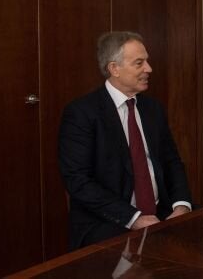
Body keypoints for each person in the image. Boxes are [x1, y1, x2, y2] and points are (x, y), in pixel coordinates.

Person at [59, 31, 193, 250]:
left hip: (162, 212)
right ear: (114, 69)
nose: (149, 69)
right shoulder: (82, 113)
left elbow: (172, 162)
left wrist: (181, 205)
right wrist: (134, 218)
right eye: (139, 63)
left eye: (147, 61)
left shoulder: (153, 109)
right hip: (109, 220)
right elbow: (77, 180)